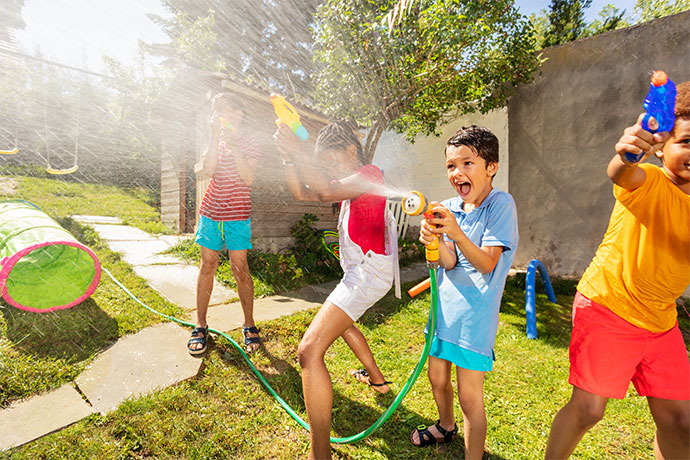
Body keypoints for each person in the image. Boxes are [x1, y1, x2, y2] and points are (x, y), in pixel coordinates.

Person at [545, 82, 690, 460]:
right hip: (609, 307)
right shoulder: (653, 182)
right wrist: (627, 155)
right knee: (588, 410)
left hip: (661, 323)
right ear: (661, 147)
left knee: (680, 421)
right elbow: (621, 174)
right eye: (687, 141)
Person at [274, 120, 400, 460]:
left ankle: (320, 456)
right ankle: (378, 380)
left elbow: (324, 191)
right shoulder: (349, 187)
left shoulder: (369, 174)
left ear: (351, 150)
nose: (330, 170)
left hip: (369, 273)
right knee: (343, 326)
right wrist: (289, 158)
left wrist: (299, 151)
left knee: (308, 351)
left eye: (333, 161)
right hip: (358, 274)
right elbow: (305, 193)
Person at [410, 125, 518, 460]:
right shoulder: (454, 208)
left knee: (470, 397)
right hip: (444, 311)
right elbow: (450, 262)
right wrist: (436, 240)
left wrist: (454, 232)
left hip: (474, 318)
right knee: (437, 377)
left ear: (491, 167)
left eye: (467, 163)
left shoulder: (501, 205)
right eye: (451, 166)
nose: (457, 173)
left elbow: (487, 263)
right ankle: (445, 426)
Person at [187, 93, 262, 356]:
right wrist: (213, 137)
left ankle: (249, 324)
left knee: (240, 268)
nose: (222, 115)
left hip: (237, 216)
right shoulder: (214, 142)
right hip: (210, 214)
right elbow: (208, 171)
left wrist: (234, 146)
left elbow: (249, 178)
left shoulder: (250, 143)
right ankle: (200, 325)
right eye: (218, 111)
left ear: (239, 113)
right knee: (207, 265)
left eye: (227, 110)